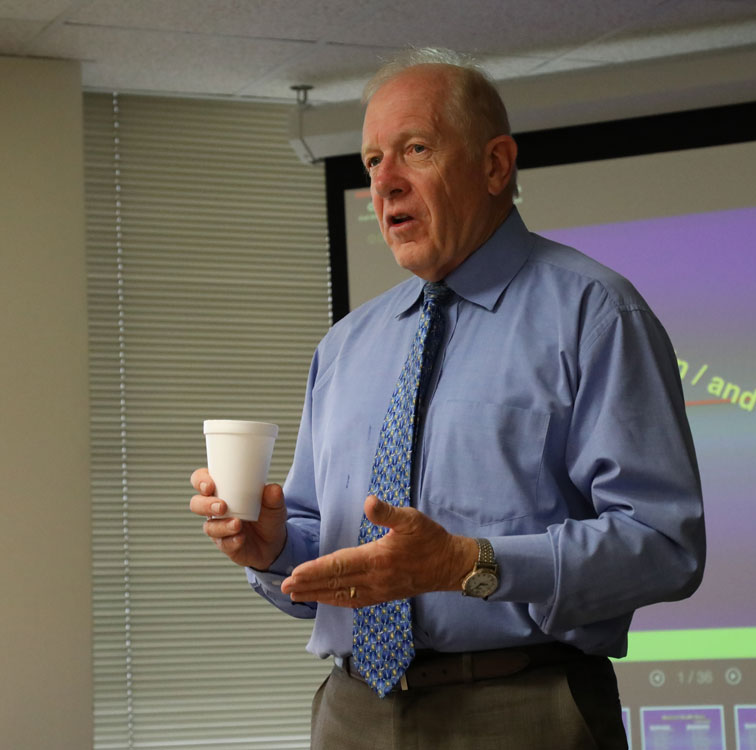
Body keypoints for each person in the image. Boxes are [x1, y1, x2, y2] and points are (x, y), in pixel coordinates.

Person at [190, 47, 705, 749]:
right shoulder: (345, 346)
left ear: (496, 165)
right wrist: (272, 544)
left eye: (416, 149)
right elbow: (325, 539)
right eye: (373, 161)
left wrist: (471, 565)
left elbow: (663, 544)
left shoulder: (596, 315)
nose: (385, 183)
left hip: (523, 706)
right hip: (353, 711)